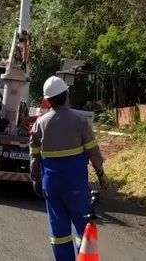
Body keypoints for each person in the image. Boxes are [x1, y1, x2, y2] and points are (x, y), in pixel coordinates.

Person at [30, 76, 108, 261]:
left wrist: (35, 178)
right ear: (66, 95)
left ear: (48, 100)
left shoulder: (39, 124)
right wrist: (101, 175)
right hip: (75, 184)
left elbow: (34, 156)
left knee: (58, 231)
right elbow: (93, 152)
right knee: (83, 227)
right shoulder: (80, 120)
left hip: (51, 185)